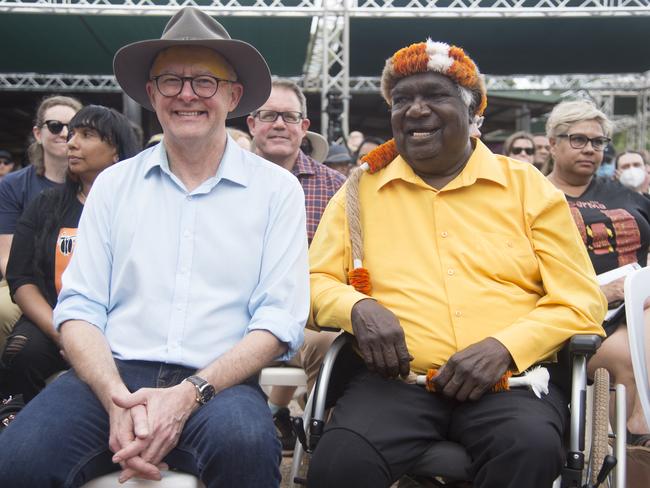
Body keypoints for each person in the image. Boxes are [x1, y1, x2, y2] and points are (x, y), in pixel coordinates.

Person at [0, 7, 309, 488]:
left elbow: (279, 320)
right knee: (17, 461)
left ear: (233, 96)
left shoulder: (276, 191)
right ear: (151, 95)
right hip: (111, 372)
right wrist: (113, 397)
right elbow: (79, 306)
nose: (187, 94)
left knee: (247, 451)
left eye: (205, 81)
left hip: (218, 384)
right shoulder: (113, 186)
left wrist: (186, 395)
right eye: (171, 81)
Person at [307, 40, 606, 488]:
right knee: (340, 460)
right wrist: (356, 308)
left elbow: (582, 300)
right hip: (395, 384)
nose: (415, 110)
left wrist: (504, 348)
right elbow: (313, 282)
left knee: (530, 450)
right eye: (402, 100)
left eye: (435, 96)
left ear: (473, 115)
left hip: (509, 386)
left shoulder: (525, 187)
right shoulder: (359, 191)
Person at [0, 105, 140, 403]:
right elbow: (20, 278)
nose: (72, 142)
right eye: (72, 133)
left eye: (86, 135)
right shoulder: (45, 205)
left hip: (124, 326)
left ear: (116, 151)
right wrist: (63, 333)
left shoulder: (143, 209)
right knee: (21, 355)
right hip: (54, 319)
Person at [247, 78, 345, 450]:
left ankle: (328, 448)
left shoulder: (335, 186)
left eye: (289, 117)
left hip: (306, 317)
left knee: (337, 347)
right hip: (233, 315)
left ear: (304, 128)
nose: (278, 124)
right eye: (268, 115)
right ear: (252, 124)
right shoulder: (224, 181)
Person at [546, 100, 650, 448]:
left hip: (640, 306)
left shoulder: (628, 196)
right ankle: (636, 444)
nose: (590, 148)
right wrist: (599, 293)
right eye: (577, 139)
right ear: (552, 143)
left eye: (598, 141)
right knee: (627, 357)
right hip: (578, 319)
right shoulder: (533, 197)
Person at [0, 95, 82, 352]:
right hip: (27, 279)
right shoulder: (13, 186)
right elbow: (7, 259)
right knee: (2, 310)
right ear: (38, 133)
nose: (65, 133)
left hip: (85, 281)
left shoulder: (100, 184)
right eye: (55, 126)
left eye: (75, 127)